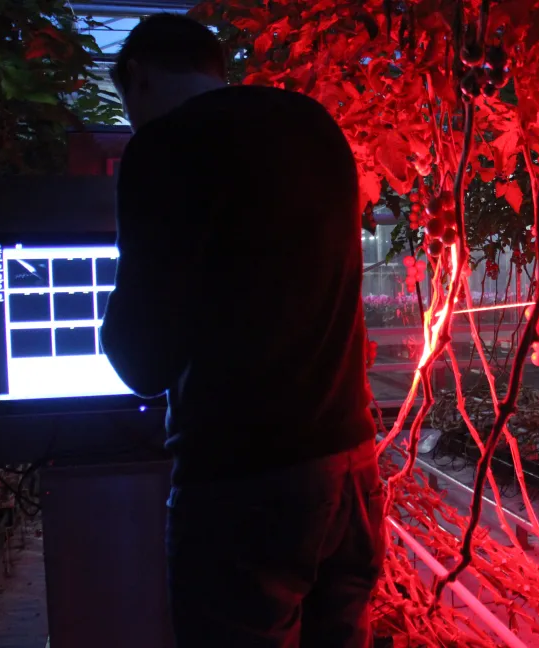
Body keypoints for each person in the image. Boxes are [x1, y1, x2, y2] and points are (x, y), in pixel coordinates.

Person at [100, 14, 384, 648]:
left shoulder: (164, 148)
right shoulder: (314, 126)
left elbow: (143, 360)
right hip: (350, 470)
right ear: (214, 68)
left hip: (244, 488)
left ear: (137, 79)